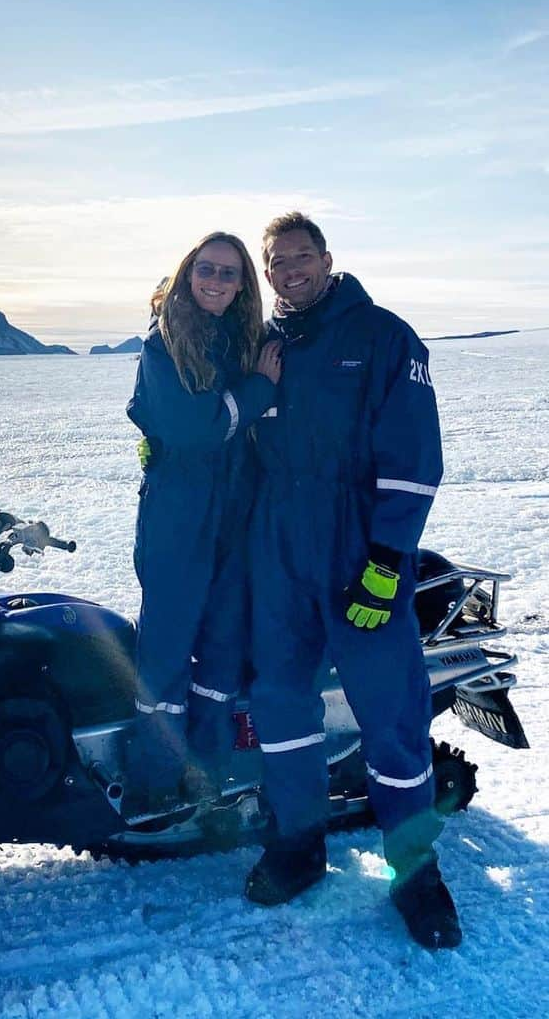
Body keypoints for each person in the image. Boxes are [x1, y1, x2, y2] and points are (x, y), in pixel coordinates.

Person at [244, 210, 458, 949]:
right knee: (279, 700)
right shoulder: (264, 344)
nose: (291, 270)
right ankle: (299, 846)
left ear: (327, 259)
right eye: (279, 261)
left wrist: (387, 560)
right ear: (266, 270)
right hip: (277, 553)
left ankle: (415, 871)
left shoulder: (381, 337)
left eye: (303, 257)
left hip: (355, 549)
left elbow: (414, 456)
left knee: (391, 711)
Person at [123, 232, 282, 821]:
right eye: (206, 269)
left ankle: (211, 772)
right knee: (165, 648)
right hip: (178, 517)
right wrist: (259, 390)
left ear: (244, 286)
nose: (216, 281)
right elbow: (199, 428)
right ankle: (157, 781)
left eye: (229, 274)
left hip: (236, 513)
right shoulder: (163, 345)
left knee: (223, 645)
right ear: (188, 273)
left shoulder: (245, 340)